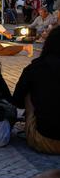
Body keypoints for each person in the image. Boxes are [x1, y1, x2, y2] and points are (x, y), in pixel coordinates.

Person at [11, 26, 60, 154]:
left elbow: (17, 100)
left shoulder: (35, 68)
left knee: (29, 91)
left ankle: (34, 124)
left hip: (45, 138)